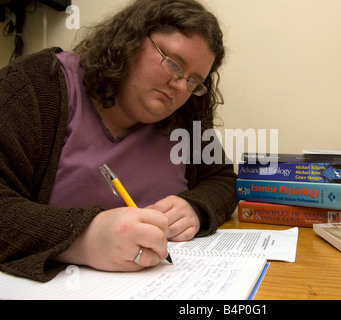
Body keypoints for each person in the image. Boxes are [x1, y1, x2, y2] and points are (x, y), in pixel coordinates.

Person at [0, 0, 237, 282]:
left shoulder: (189, 113)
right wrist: (83, 239)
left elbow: (222, 179)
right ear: (131, 40)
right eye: (173, 64)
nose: (179, 86)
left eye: (194, 81)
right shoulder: (37, 85)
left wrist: (196, 208)